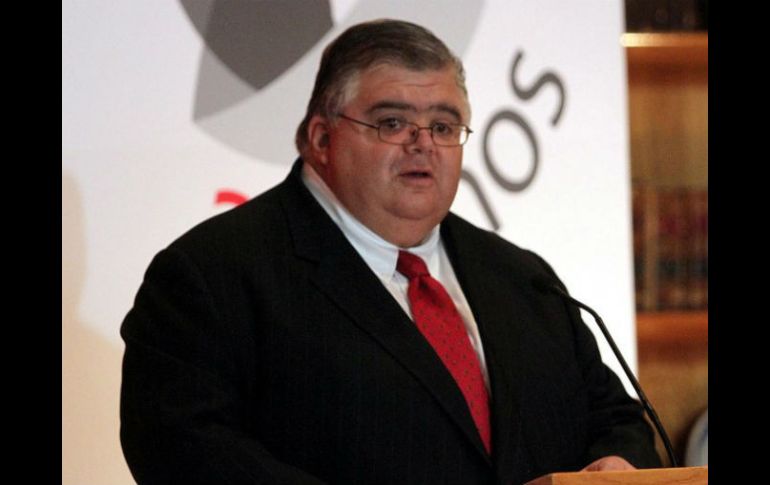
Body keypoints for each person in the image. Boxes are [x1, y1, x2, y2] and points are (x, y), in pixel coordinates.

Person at [119, 19, 661, 484]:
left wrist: (616, 463)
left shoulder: (522, 278)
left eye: (443, 126)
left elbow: (615, 417)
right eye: (392, 122)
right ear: (321, 139)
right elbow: (184, 452)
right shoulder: (211, 276)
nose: (423, 143)